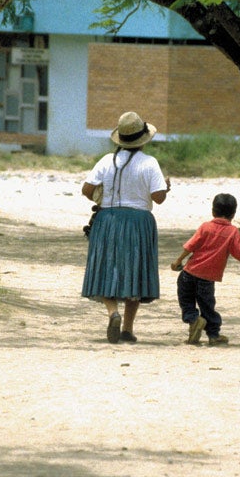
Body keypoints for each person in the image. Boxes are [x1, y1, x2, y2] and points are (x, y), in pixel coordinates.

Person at [81, 111, 170, 344]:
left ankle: (113, 313)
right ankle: (128, 329)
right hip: (139, 221)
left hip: (107, 219)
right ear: (143, 139)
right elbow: (158, 198)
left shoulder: (105, 161)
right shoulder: (150, 163)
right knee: (135, 270)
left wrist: (105, 200)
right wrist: (166, 187)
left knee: (106, 268)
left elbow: (87, 190)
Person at [170, 193, 240, 346]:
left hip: (188, 273)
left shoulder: (205, 227)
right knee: (207, 306)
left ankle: (194, 320)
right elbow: (239, 253)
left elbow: (190, 246)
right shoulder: (232, 232)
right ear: (233, 214)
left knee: (186, 302)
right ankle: (213, 335)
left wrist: (178, 260)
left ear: (213, 211)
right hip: (207, 278)